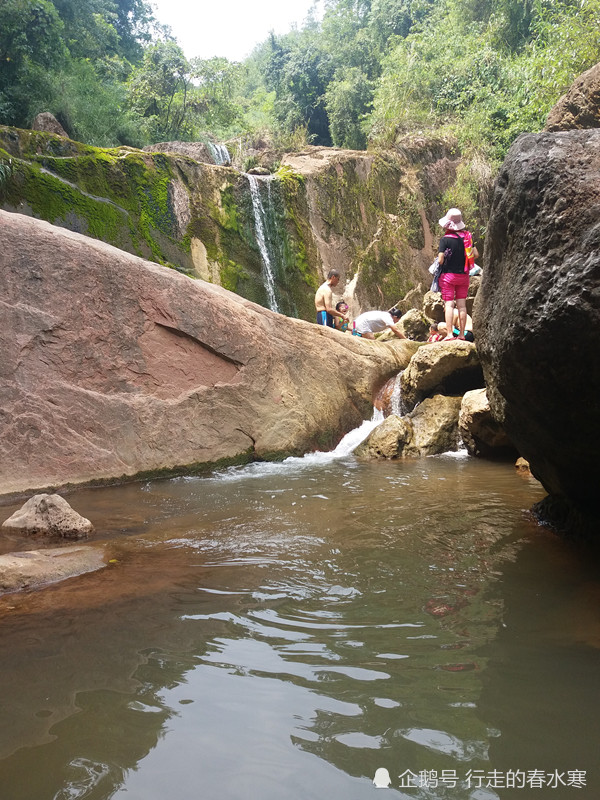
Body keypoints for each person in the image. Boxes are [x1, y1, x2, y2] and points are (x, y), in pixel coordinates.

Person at [436, 208, 479, 341]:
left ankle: (449, 334)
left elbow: (440, 260)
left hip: (449, 276)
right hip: (464, 276)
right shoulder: (467, 237)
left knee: (449, 305)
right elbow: (475, 255)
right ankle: (461, 335)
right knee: (462, 305)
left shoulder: (445, 240)